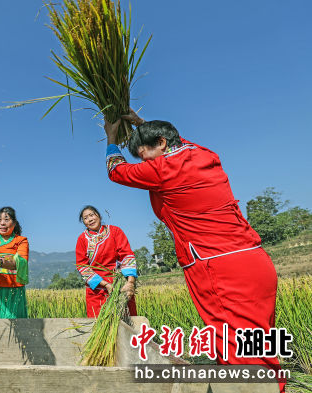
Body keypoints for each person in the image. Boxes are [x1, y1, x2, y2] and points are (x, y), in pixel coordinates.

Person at [103, 110, 284, 392]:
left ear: (162, 144)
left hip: (219, 269)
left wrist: (111, 137)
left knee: (240, 354)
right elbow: (180, 141)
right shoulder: (205, 155)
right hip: (255, 263)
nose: (143, 163)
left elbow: (116, 170)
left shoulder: (163, 168)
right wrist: (142, 125)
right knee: (259, 347)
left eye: (143, 154)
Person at [75, 205, 138, 318]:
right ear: (84, 223)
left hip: (120, 286)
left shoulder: (115, 231)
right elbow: (82, 267)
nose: (90, 219)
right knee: (99, 323)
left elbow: (127, 256)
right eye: (85, 218)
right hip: (97, 290)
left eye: (92, 215)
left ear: (98, 215)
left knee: (127, 323)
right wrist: (106, 285)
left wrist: (130, 283)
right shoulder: (82, 239)